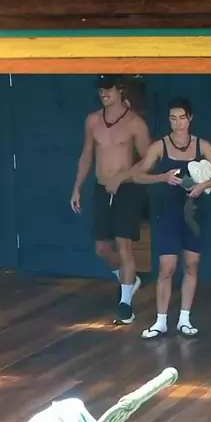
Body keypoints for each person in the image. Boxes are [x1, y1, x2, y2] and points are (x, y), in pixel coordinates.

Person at [113, 98, 211, 338]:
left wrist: (204, 185)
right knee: (167, 267)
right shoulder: (160, 146)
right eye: (173, 118)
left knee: (191, 265)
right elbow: (138, 175)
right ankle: (161, 321)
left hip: (194, 212)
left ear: (190, 118)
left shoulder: (202, 145)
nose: (178, 123)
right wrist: (162, 177)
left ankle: (184, 319)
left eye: (182, 118)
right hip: (167, 210)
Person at [70, 75, 151, 325]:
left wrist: (123, 176)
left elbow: (149, 160)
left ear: (120, 90)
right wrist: (77, 187)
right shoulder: (92, 121)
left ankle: (125, 304)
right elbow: (86, 154)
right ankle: (129, 280)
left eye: (108, 89)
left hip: (127, 188)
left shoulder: (135, 123)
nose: (103, 93)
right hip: (101, 188)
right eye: (100, 90)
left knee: (124, 244)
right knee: (102, 248)